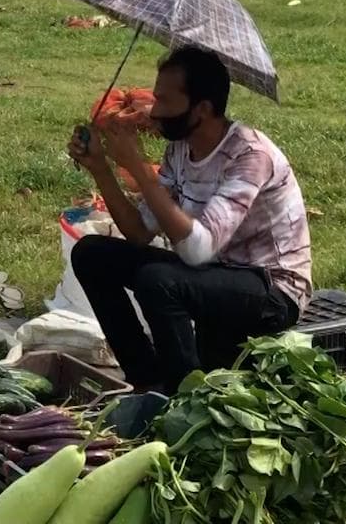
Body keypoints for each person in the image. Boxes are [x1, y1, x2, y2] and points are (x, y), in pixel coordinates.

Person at [66, 47, 310, 394]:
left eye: (165, 101)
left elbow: (198, 249)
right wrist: (101, 168)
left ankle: (185, 397)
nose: (154, 110)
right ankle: (148, 382)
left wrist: (138, 168)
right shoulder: (181, 149)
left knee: (159, 280)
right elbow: (138, 232)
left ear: (203, 109)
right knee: (91, 253)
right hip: (214, 271)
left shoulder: (249, 155)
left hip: (270, 289)